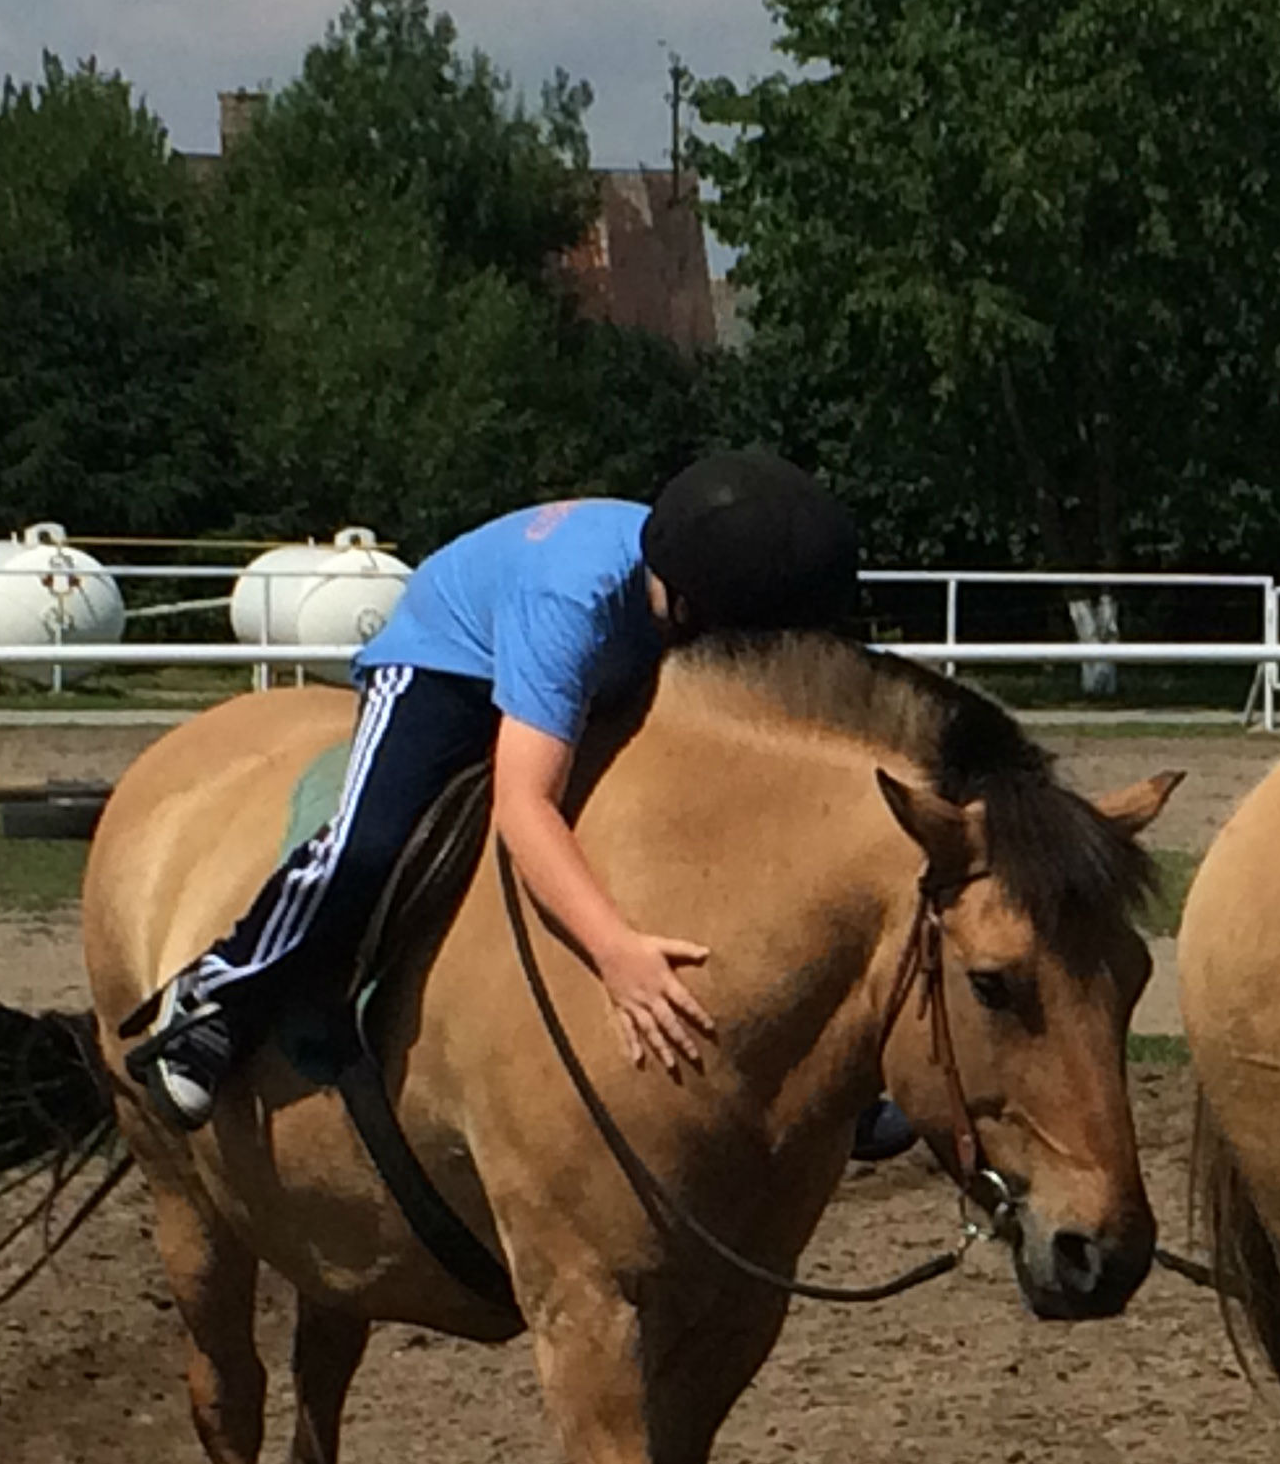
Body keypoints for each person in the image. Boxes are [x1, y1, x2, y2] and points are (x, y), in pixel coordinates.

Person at [127, 452, 862, 1131]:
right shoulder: (571, 602)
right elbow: (523, 805)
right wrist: (614, 952)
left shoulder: (722, 578)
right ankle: (216, 998)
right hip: (449, 659)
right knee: (370, 842)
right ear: (697, 614)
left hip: (609, 659)